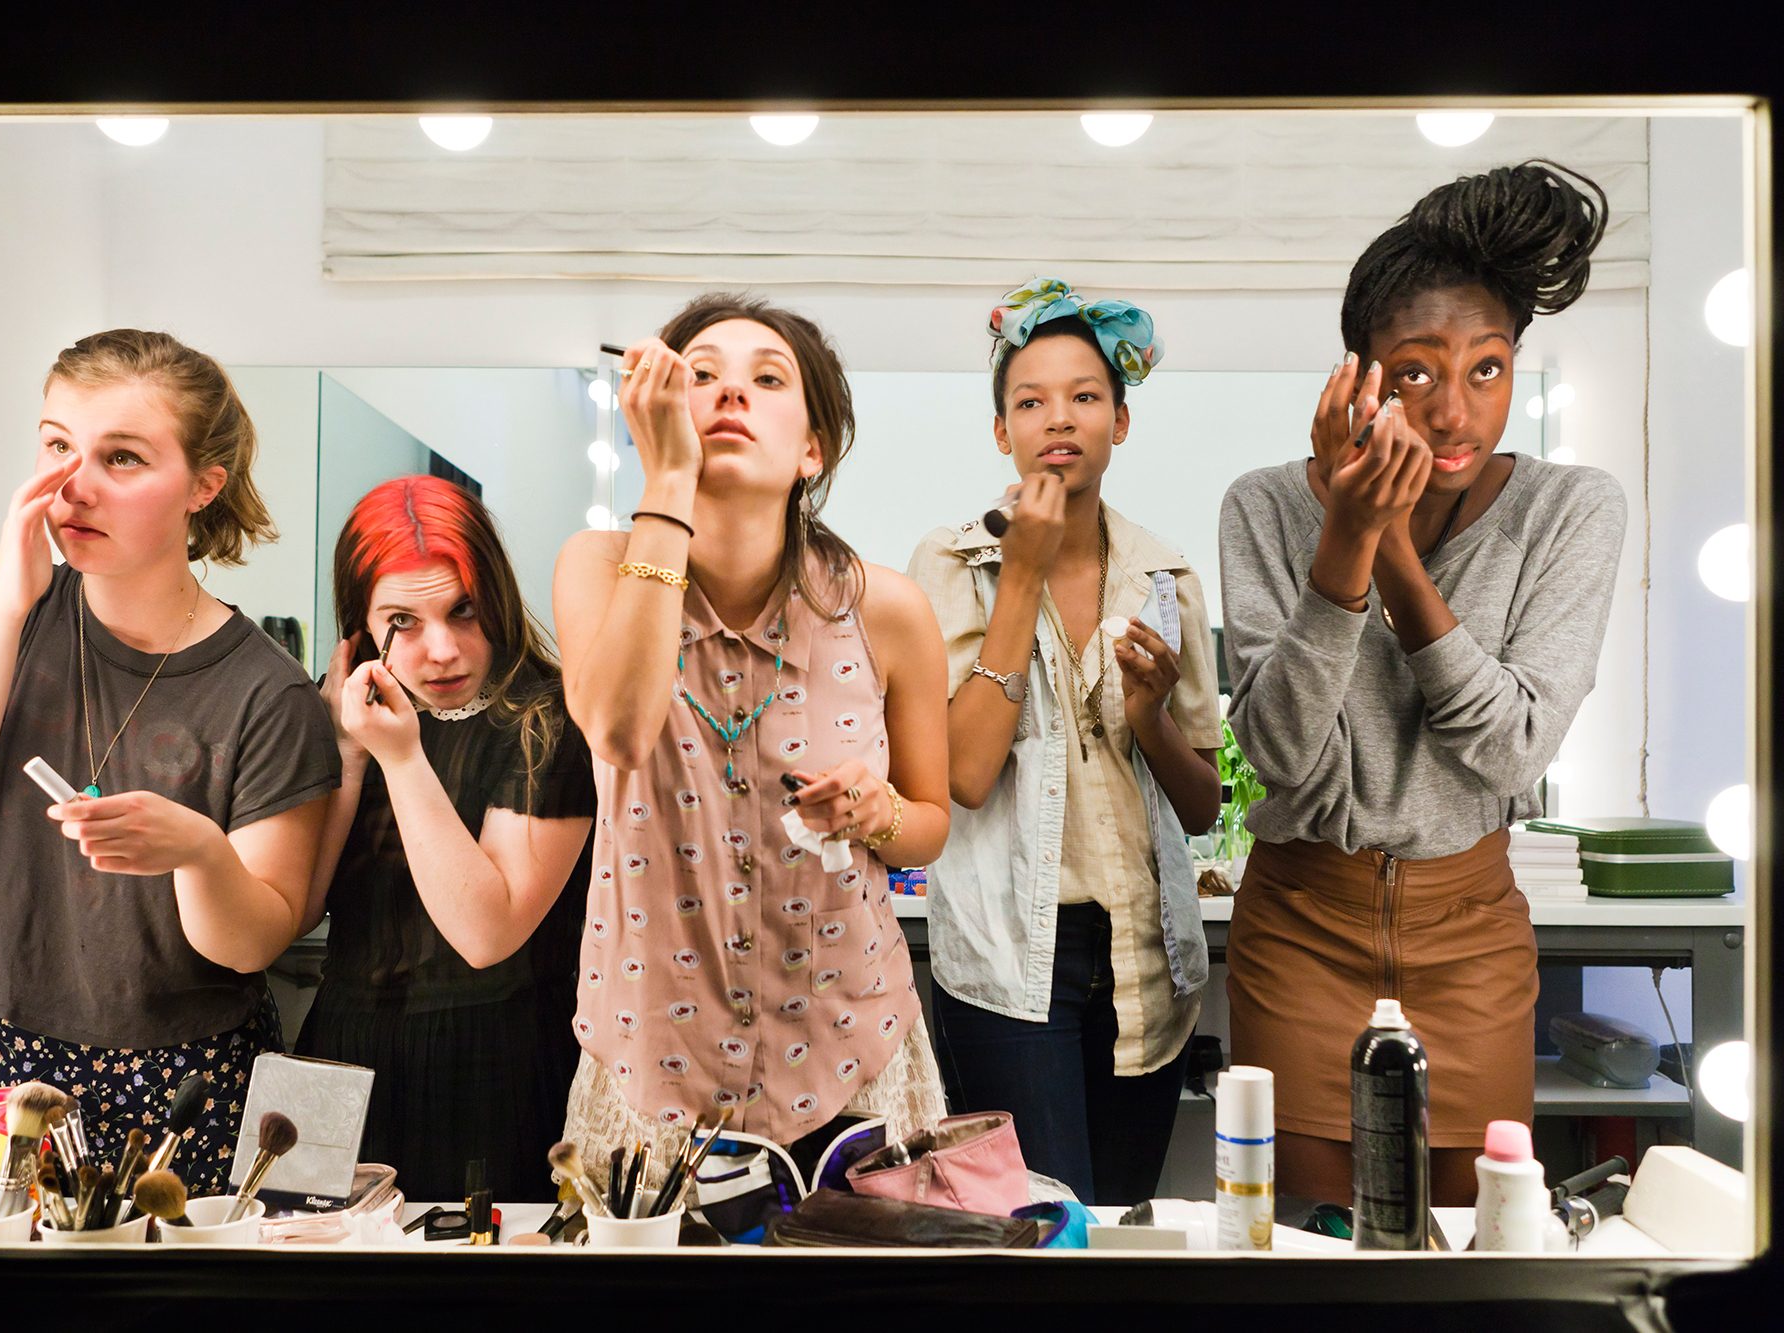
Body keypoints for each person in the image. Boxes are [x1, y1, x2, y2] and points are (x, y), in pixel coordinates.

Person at [1218, 161, 1624, 1205]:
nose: (1453, 412)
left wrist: (1385, 544)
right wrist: (1340, 541)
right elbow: (1278, 752)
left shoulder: (1568, 510)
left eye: (1487, 369)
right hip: (1300, 924)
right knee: (1303, 1241)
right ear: (1358, 380)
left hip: (1471, 935)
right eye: (1414, 374)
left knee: (1467, 1246)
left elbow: (1511, 748)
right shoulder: (1264, 507)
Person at [0, 329, 339, 1194]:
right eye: (57, 446)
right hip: (0, 1052)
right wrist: (9, 605)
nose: (74, 484)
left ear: (204, 485)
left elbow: (252, 943)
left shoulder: (267, 692)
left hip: (190, 1078)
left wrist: (200, 851)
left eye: (121, 457)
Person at [550, 292, 952, 1191]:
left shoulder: (886, 608)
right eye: (701, 375)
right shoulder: (597, 566)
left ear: (813, 449)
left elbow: (931, 823)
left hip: (849, 1051)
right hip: (653, 1062)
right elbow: (618, 728)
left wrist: (878, 811)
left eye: (768, 379)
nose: (731, 391)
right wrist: (666, 481)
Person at [907, 279, 1221, 1205]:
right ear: (1000, 430)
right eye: (1030, 400)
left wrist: (1151, 718)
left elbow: (1201, 806)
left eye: (1085, 396)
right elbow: (966, 774)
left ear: (1120, 421)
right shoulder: (950, 564)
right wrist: (1022, 576)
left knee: (1120, 1228)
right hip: (1008, 960)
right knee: (1042, 1234)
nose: (1059, 418)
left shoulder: (1165, 576)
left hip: (1144, 960)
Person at [294, 475, 594, 1202]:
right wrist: (348, 752)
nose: (442, 650)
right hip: (339, 1052)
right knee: (302, 1264)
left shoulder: (549, 721)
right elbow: (298, 909)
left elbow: (486, 932)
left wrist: (400, 759)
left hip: (493, 1067)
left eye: (464, 609)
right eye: (403, 620)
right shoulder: (351, 715)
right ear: (361, 627)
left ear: (497, 597)